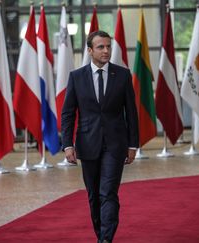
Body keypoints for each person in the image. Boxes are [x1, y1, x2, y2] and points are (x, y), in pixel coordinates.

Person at [61, 30, 139, 243]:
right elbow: (68, 113)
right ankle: (101, 235)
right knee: (94, 195)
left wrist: (133, 145)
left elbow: (131, 113)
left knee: (108, 192)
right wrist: (67, 145)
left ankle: (106, 239)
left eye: (108, 46)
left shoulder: (122, 75)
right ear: (90, 50)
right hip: (88, 144)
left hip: (115, 145)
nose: (106, 51)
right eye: (100, 47)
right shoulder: (76, 77)